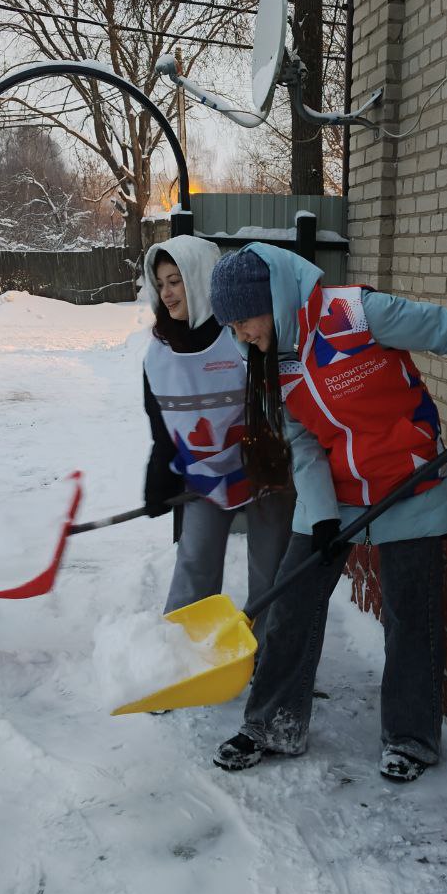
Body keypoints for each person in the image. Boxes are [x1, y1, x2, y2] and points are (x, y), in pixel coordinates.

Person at [205, 244, 447, 782]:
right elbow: (302, 436)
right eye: (233, 326)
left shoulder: (357, 314)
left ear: (271, 298)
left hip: (407, 479)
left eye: (244, 320)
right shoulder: (276, 356)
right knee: (292, 603)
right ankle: (271, 725)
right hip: (336, 494)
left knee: (410, 614)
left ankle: (411, 739)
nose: (242, 335)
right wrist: (319, 516)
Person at [140, 236, 294, 634]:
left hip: (266, 468)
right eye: (161, 284)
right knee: (195, 562)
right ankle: (178, 656)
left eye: (176, 280)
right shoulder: (159, 351)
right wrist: (161, 468)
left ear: (200, 279)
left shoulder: (240, 334)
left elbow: (283, 401)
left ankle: (265, 657)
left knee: (269, 569)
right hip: (206, 475)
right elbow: (161, 422)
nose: (168, 293)